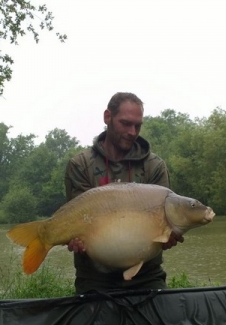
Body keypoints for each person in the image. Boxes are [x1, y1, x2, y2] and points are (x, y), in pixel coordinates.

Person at [64, 92, 183, 294]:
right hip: (94, 277)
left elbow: (163, 224)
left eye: (137, 125)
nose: (132, 131)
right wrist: (76, 238)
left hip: (146, 275)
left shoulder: (154, 166)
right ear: (107, 117)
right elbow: (79, 218)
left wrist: (168, 235)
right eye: (126, 123)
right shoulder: (81, 165)